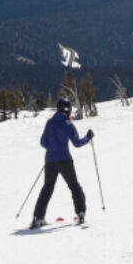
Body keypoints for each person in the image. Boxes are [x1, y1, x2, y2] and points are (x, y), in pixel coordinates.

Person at [30, 98, 94, 229]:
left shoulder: (50, 123)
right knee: (74, 187)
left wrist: (53, 147)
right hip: (65, 160)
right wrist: (88, 137)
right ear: (68, 110)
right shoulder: (68, 124)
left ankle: (38, 218)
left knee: (47, 189)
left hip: (50, 162)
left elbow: (43, 143)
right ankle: (81, 213)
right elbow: (77, 143)